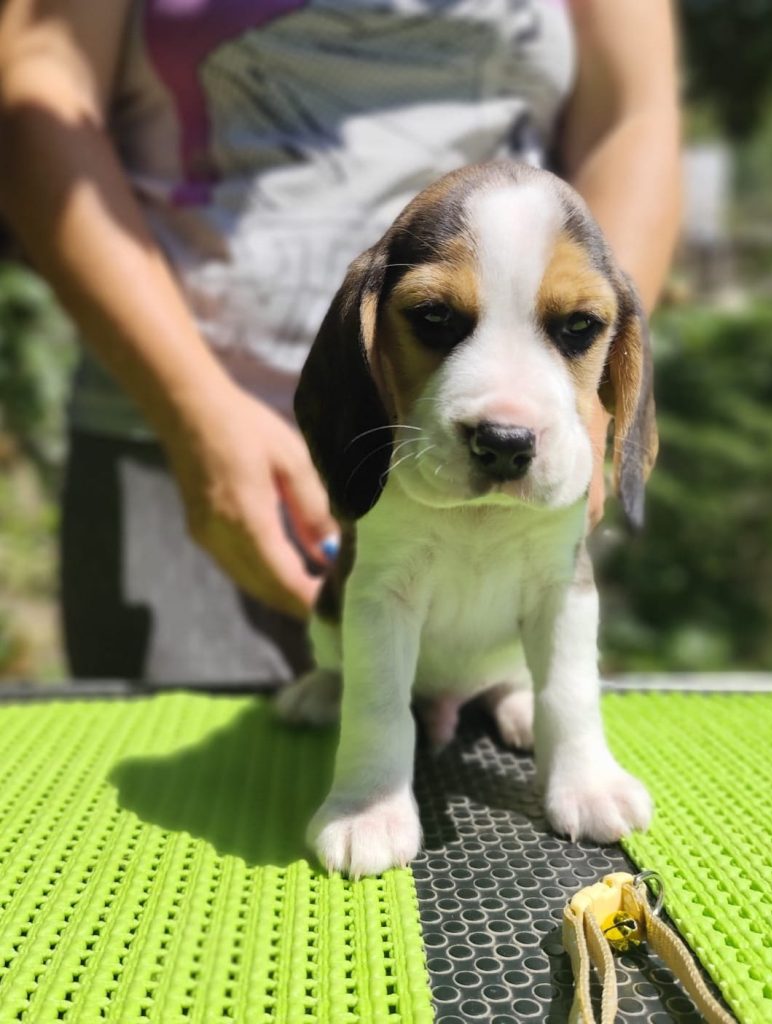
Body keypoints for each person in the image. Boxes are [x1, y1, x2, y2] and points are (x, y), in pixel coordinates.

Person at [0, 0, 681, 684]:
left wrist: (575, 406)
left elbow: (632, 118)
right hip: (171, 439)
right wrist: (190, 409)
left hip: (489, 442)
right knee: (184, 750)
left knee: (483, 733)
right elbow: (40, 82)